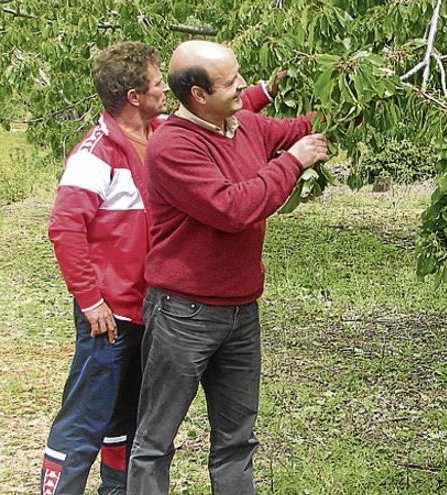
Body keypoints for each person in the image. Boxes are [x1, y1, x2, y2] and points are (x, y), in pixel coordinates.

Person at [42, 41, 279, 495]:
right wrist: (91, 302)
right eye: (157, 83)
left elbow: (220, 106)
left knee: (128, 420)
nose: (167, 90)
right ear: (134, 95)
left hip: (152, 308)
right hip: (111, 314)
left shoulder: (161, 130)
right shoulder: (96, 154)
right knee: (86, 419)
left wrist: (267, 88)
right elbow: (65, 228)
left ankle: (116, 489)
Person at [126, 40, 328, 494]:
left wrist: (362, 93)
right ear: (197, 94)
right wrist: (293, 162)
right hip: (184, 313)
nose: (244, 86)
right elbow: (233, 208)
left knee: (237, 440)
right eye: (230, 81)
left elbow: (301, 126)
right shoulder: (172, 147)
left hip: (241, 310)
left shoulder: (243, 125)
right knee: (156, 440)